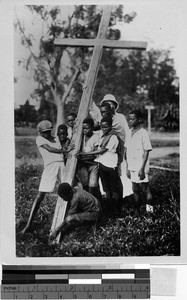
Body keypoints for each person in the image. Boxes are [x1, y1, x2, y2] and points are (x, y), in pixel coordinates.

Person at [21, 120, 74, 234]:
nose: (47, 134)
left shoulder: (56, 138)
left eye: (48, 131)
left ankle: (66, 221)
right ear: (40, 132)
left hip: (61, 165)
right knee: (40, 194)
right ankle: (29, 224)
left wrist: (67, 145)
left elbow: (66, 139)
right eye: (44, 132)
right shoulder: (39, 139)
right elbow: (50, 149)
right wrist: (64, 150)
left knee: (67, 191)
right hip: (50, 166)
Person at [81, 116, 123, 212]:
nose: (104, 129)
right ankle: (110, 209)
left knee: (114, 190)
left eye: (106, 126)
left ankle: (118, 210)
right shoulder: (102, 136)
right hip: (102, 166)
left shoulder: (113, 137)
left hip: (111, 167)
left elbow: (102, 150)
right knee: (106, 190)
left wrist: (85, 154)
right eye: (102, 127)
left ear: (111, 126)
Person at [125, 110, 153, 217]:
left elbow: (146, 151)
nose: (130, 121)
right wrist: (127, 167)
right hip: (132, 166)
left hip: (141, 166)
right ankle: (137, 212)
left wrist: (142, 169)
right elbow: (127, 151)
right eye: (129, 119)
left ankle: (150, 213)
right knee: (134, 188)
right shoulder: (129, 132)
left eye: (132, 119)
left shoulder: (143, 133)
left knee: (145, 189)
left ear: (139, 120)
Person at [76, 117, 101, 200]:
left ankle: (96, 203)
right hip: (83, 165)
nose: (85, 130)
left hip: (93, 165)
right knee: (85, 185)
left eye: (87, 128)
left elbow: (95, 154)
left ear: (92, 128)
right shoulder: (81, 137)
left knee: (92, 186)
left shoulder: (95, 137)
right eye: (83, 128)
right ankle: (88, 203)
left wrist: (82, 156)